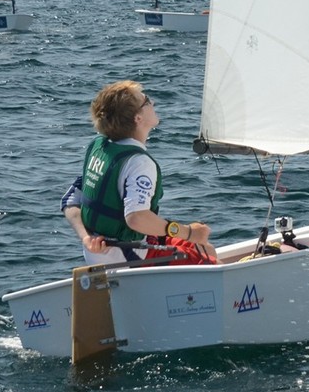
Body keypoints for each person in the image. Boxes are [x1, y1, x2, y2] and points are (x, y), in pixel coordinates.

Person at [61, 80, 217, 266]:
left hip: (100, 253)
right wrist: (188, 232)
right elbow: (136, 218)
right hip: (126, 255)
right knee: (206, 259)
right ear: (138, 118)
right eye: (147, 101)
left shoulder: (100, 147)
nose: (153, 103)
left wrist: (86, 238)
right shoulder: (139, 163)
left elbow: (70, 199)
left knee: (204, 247)